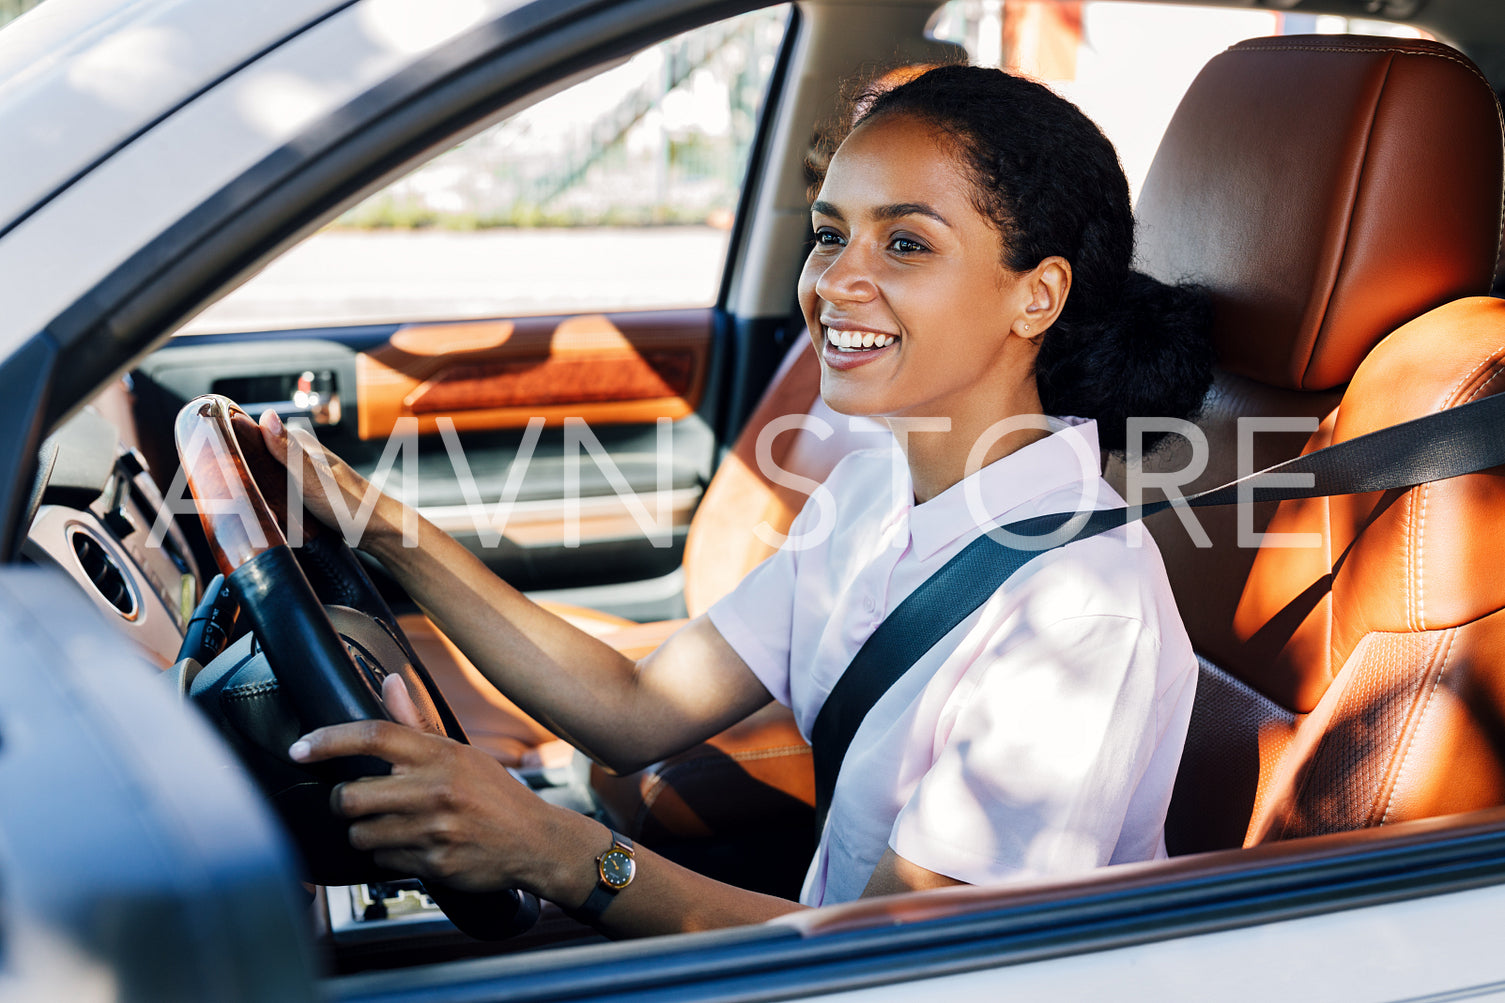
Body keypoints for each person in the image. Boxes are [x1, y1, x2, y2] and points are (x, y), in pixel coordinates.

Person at [266, 64, 1213, 937]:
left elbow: (903, 959)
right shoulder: (872, 486)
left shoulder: (1078, 605)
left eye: (906, 242)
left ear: (1036, 296)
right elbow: (634, 706)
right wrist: (380, 525)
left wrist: (552, 847)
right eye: (831, 233)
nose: (836, 281)